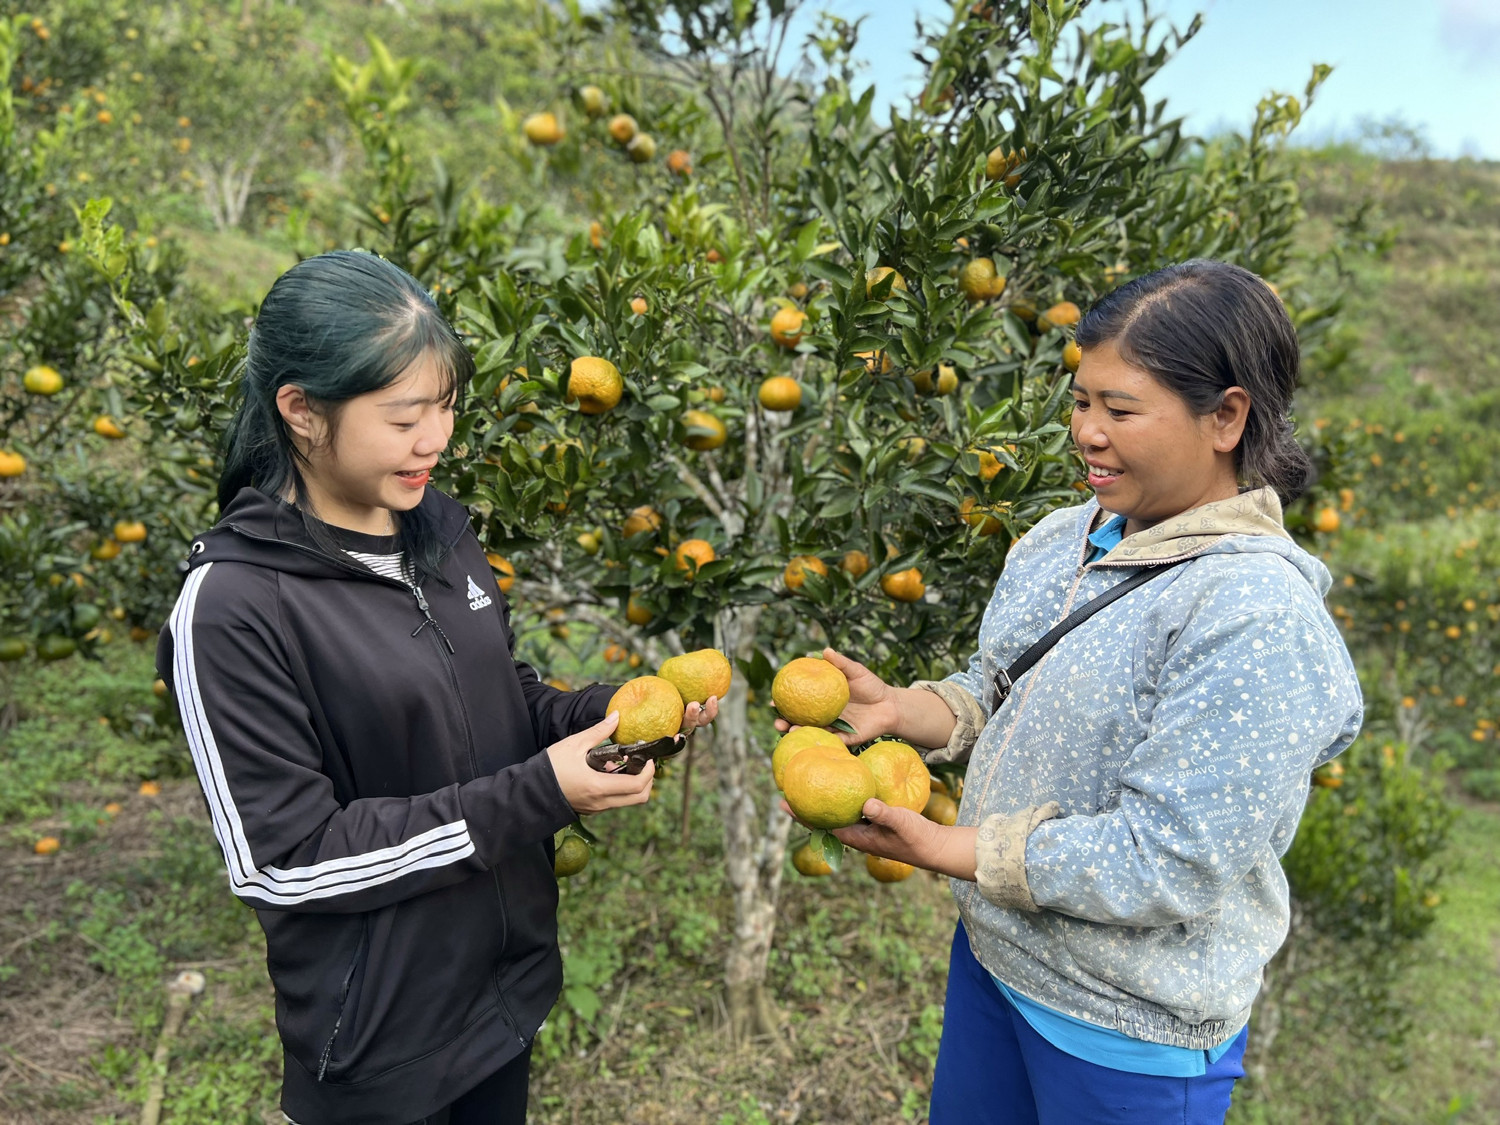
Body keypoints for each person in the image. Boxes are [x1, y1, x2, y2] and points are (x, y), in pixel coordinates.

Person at [792, 260, 1363, 1123]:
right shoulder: (1065, 538)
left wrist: (952, 847)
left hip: (1126, 1030)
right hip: (997, 963)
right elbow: (999, 687)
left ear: (1226, 416)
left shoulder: (1253, 614)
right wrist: (906, 710)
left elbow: (1169, 857)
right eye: (1081, 401)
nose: (1087, 432)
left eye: (1120, 410)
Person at [156, 250, 716, 1125]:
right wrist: (537, 793)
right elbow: (284, 859)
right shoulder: (233, 606)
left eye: (447, 406)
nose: (436, 439)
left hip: (502, 1002)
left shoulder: (439, 533)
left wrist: (601, 716)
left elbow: (495, 696)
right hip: (383, 1050)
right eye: (405, 415)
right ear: (301, 411)